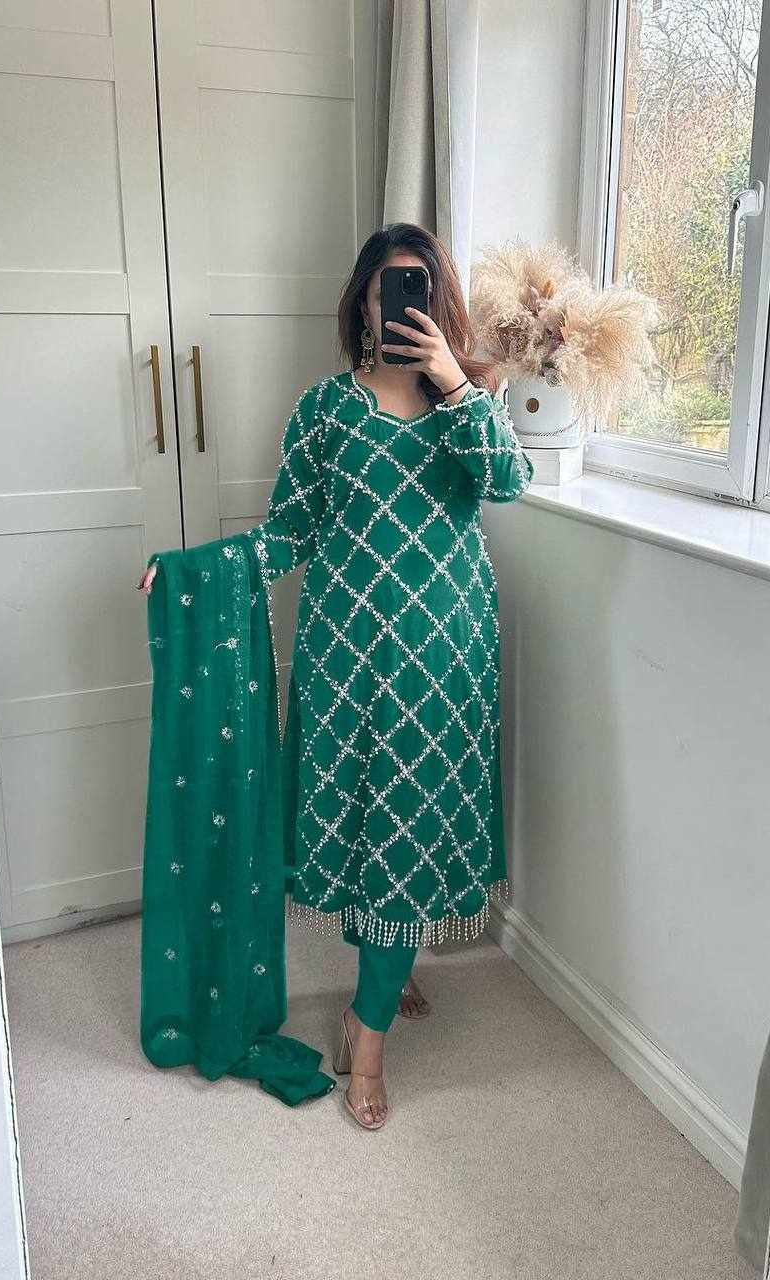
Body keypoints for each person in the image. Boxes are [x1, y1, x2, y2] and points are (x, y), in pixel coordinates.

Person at [138, 222, 533, 1129]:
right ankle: (385, 975)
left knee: (410, 826)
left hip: (443, 656)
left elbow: (508, 482)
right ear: (362, 303)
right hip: (345, 655)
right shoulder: (324, 409)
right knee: (365, 822)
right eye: (388, 287)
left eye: (419, 287)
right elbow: (289, 532)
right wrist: (195, 572)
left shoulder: (471, 401)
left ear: (441, 305)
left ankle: (370, 1030)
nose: (401, 303)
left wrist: (453, 380)